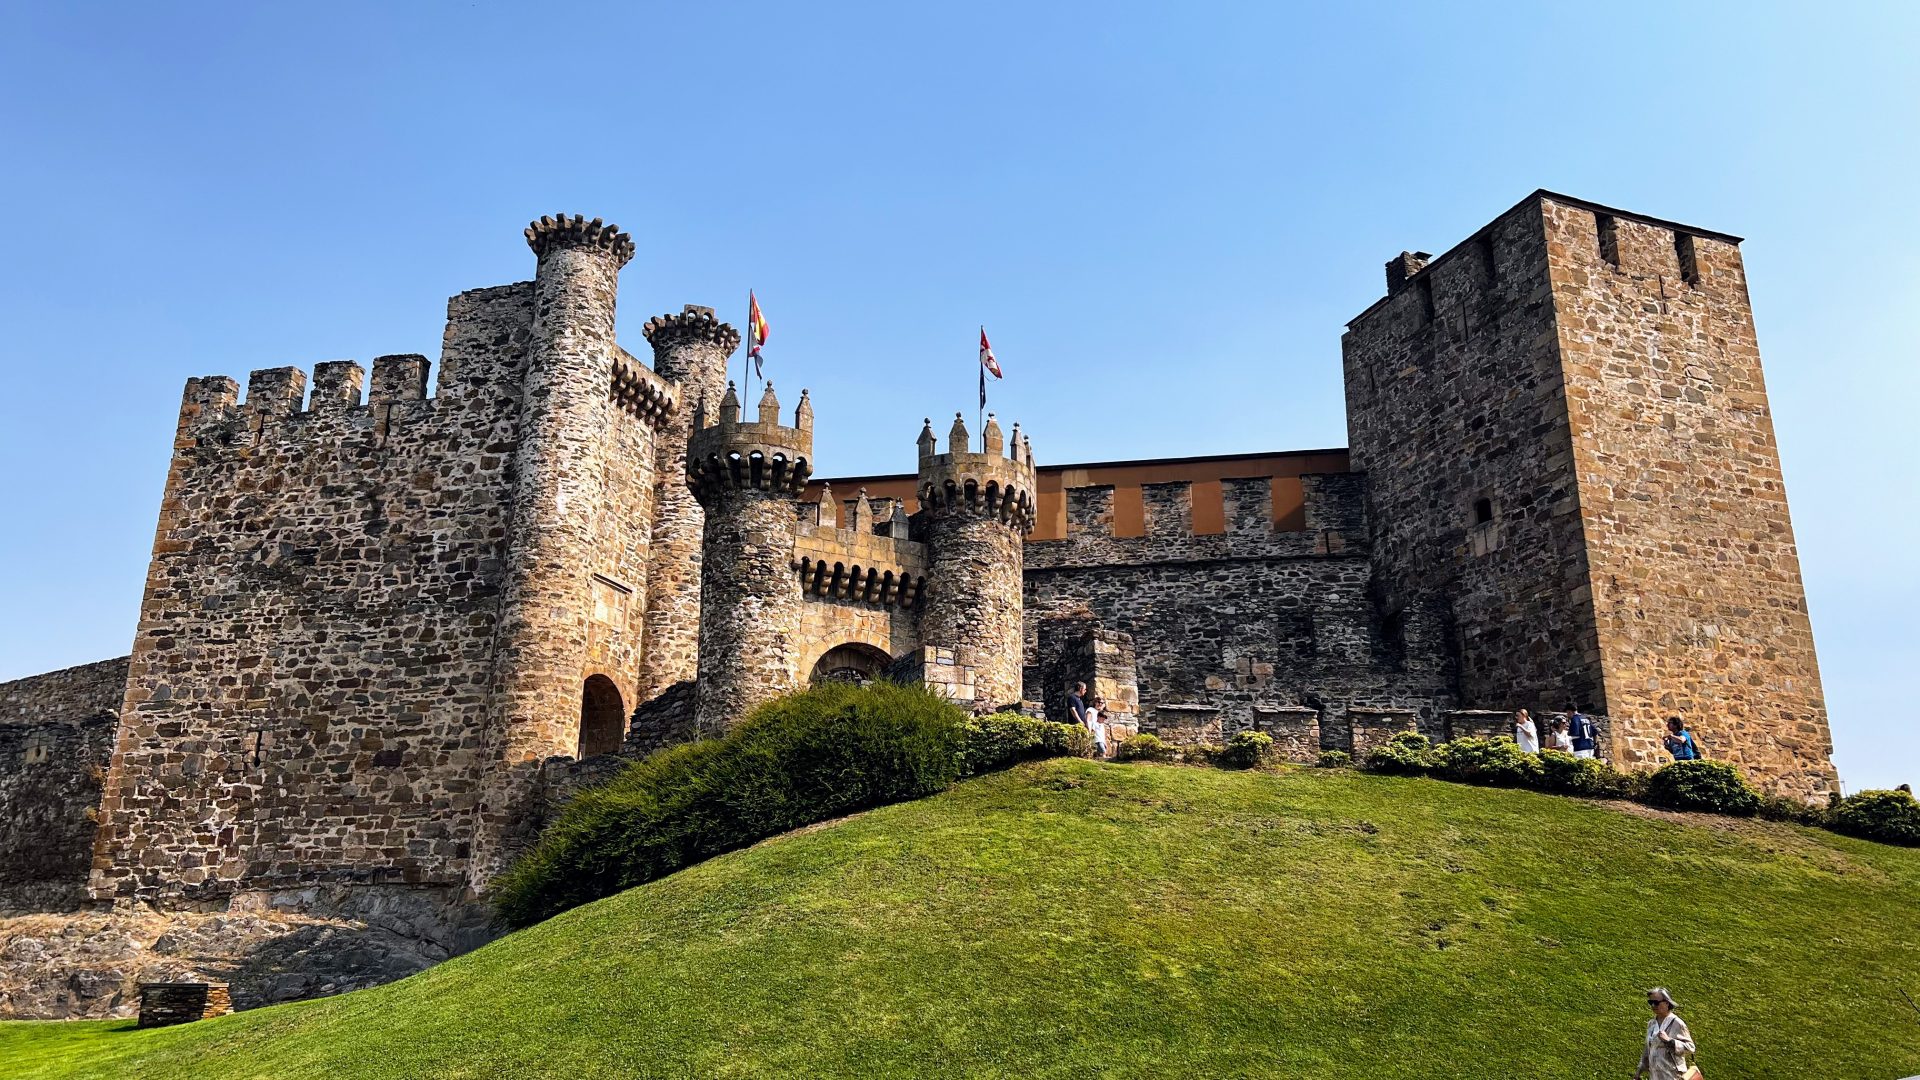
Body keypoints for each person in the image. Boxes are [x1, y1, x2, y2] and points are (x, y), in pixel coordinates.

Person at [1635, 987, 1697, 1080]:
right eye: (1650, 1002)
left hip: (1673, 1075)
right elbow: (1647, 1050)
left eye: (1656, 1002)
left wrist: (1669, 1041)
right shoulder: (1651, 1024)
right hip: (1655, 1075)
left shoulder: (1677, 1023)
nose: (1653, 1005)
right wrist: (1639, 1071)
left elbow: (1691, 1048)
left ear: (1667, 1003)